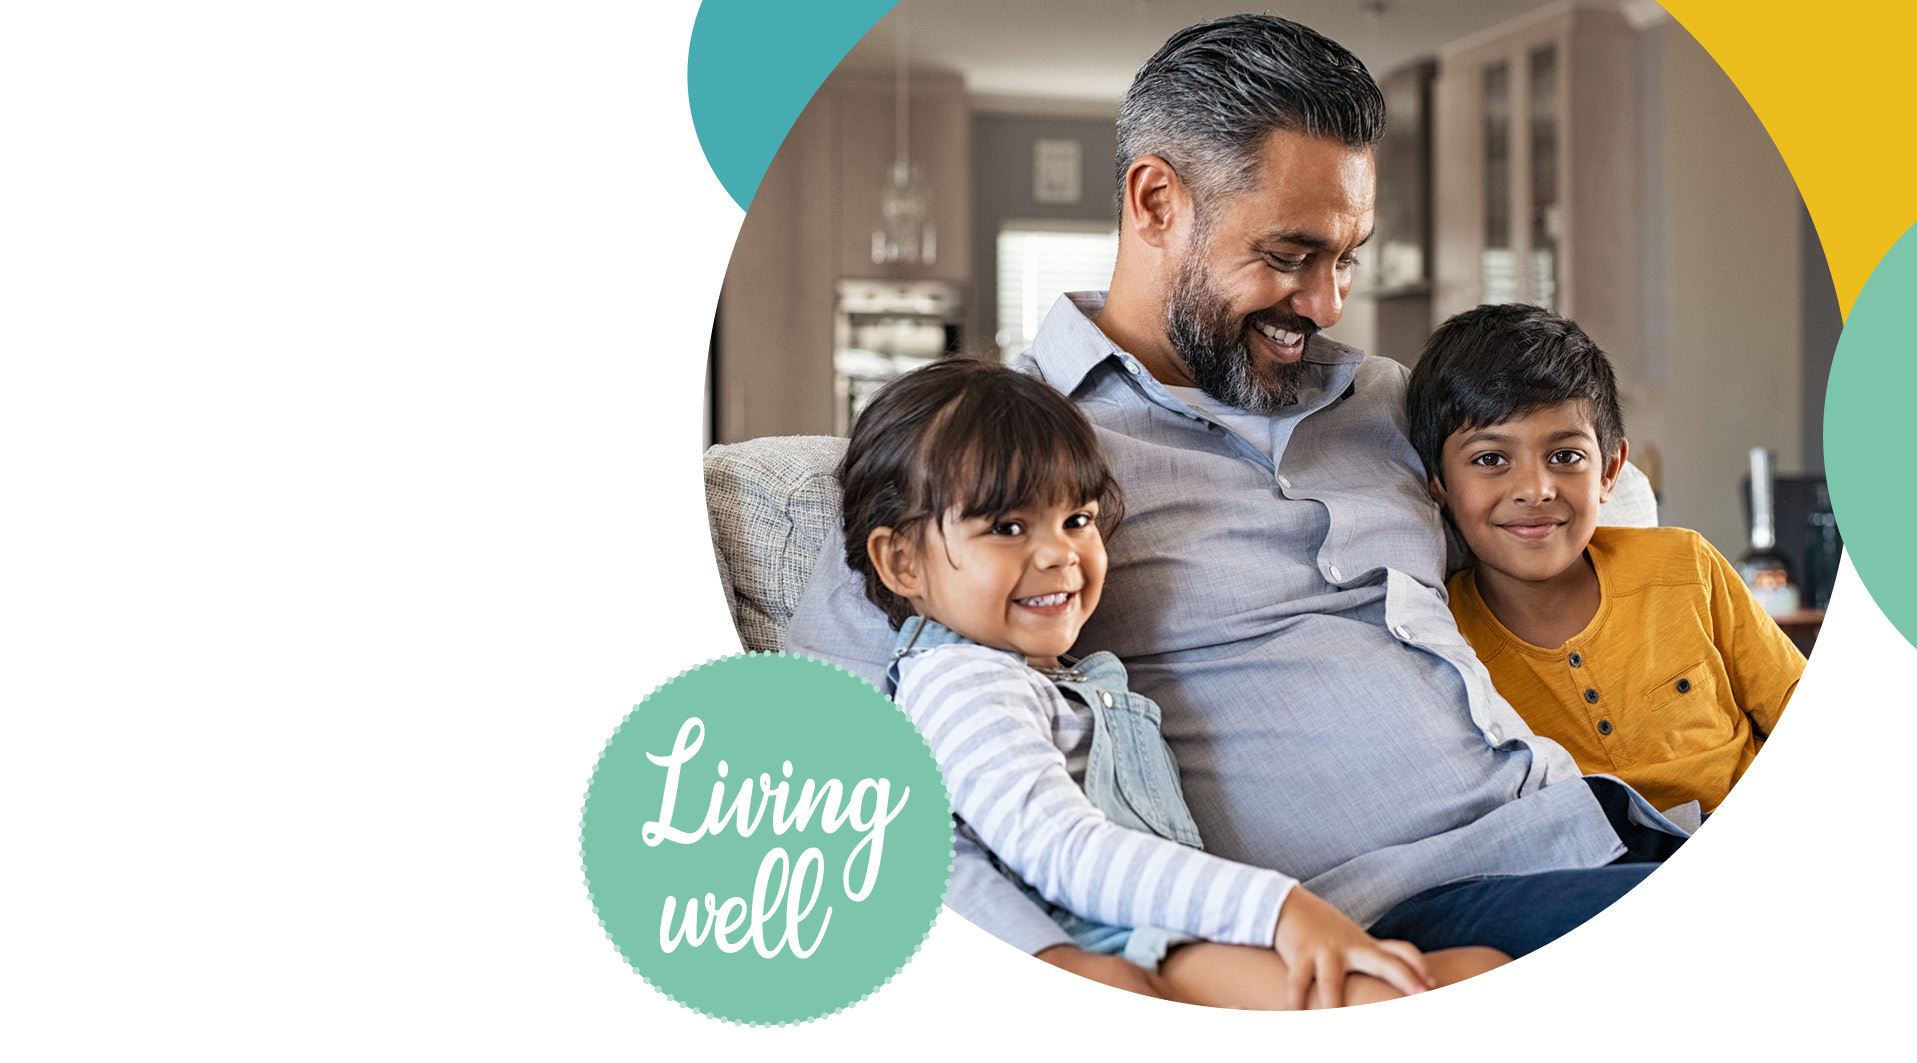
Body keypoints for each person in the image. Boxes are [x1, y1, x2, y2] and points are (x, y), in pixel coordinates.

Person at [786, 13, 1687, 989]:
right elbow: (838, 787)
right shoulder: (979, 469)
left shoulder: (1397, 402)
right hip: (1378, 910)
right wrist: (1050, 959)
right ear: (1156, 200)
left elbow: (1582, 511)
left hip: (1592, 823)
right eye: (1292, 256)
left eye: (1347, 258)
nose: (1328, 302)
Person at [842, 357, 1506, 1008]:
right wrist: (1279, 909)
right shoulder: (960, 682)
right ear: (900, 560)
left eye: (1076, 519)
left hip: (1186, 934)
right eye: (1007, 527)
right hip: (1124, 953)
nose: (1059, 553)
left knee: (1482, 966)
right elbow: (1062, 850)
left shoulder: (1054, 677)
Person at [1407, 303, 1804, 817]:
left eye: (1565, 456)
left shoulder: (1685, 567)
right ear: (1437, 481)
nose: (1535, 489)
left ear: (1610, 470)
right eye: (1490, 460)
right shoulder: (1442, 639)